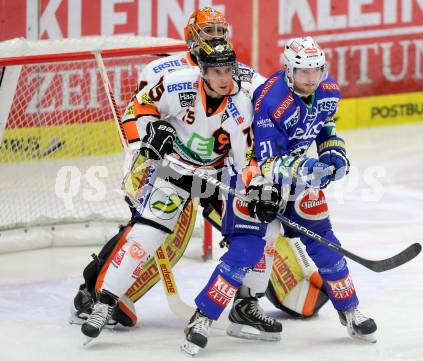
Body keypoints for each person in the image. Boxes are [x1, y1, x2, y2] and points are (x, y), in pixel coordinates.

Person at [73, 7, 327, 337]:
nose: (225, 76)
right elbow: (141, 109)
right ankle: (99, 297)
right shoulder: (168, 73)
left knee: (262, 229)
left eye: (221, 31)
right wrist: (148, 138)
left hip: (220, 175)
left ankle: (246, 303)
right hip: (170, 165)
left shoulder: (244, 85)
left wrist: (263, 185)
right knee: (150, 234)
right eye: (209, 32)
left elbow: (260, 134)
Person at [182, 36, 377, 354]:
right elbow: (269, 162)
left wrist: (334, 153)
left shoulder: (328, 90)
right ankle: (201, 317)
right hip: (253, 178)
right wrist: (312, 166)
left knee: (325, 243)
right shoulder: (271, 99)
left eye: (316, 70)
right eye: (303, 72)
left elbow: (324, 126)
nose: (311, 78)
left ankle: (350, 311)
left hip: (297, 177)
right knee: (245, 251)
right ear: (288, 70)